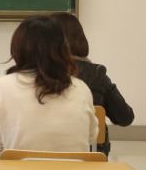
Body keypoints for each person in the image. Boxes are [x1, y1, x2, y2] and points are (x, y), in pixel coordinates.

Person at [0, 15, 98, 160]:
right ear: (63, 48)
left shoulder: (1, 86)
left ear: (18, 47)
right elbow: (91, 136)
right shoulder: (81, 88)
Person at [50, 12, 134, 155]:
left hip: (40, 158)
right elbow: (125, 118)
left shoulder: (33, 75)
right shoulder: (97, 74)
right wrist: (107, 85)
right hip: (90, 158)